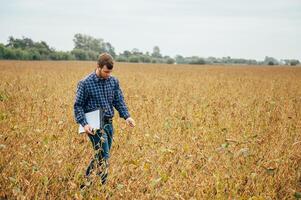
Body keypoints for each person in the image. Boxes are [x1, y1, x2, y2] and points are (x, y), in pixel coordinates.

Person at [74, 53, 135, 186]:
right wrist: (84, 124)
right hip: (94, 126)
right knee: (105, 156)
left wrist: (127, 116)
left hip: (109, 123)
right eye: (106, 71)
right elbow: (78, 106)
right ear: (98, 67)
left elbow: (118, 100)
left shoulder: (113, 81)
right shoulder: (85, 83)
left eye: (110, 72)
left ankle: (85, 183)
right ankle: (103, 186)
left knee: (100, 155)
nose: (108, 74)